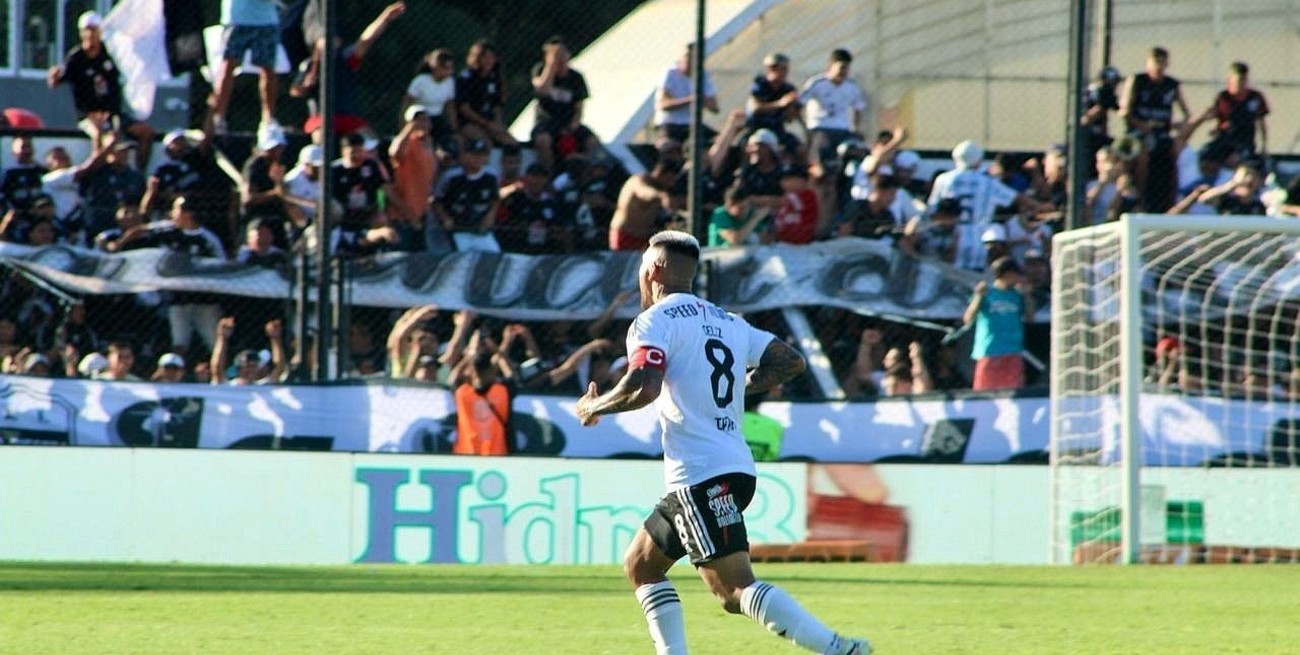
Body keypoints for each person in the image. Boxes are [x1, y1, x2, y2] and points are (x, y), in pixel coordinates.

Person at [575, 230, 870, 655]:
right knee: (641, 564)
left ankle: (838, 648)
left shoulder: (653, 321)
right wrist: (737, 388)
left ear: (654, 268)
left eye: (641, 268)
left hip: (700, 476)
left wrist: (594, 406)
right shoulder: (727, 321)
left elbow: (644, 384)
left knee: (733, 593)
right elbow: (790, 361)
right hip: (727, 468)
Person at [47, 11, 155, 170]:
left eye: (95, 30)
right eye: (87, 30)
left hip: (112, 114)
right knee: (102, 137)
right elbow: (55, 82)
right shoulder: (76, 58)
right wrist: (53, 76)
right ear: (81, 33)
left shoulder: (110, 54)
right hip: (89, 115)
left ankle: (139, 174)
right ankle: (96, 176)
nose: (91, 34)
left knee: (146, 133)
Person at [209, 0, 281, 136]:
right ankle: (219, 117)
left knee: (268, 68)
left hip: (266, 21)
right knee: (227, 66)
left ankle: (268, 120)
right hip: (236, 19)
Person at [964, 256, 1034, 391]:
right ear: (1007, 274)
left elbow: (1030, 318)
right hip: (990, 350)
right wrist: (978, 297)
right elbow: (968, 318)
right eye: (1016, 274)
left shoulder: (1017, 295)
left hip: (1013, 351)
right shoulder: (987, 293)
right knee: (985, 392)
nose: (1018, 278)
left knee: (1014, 390)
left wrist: (1027, 295)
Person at [530, 36, 597, 174]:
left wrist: (574, 124)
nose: (559, 58)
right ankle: (548, 177)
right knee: (543, 140)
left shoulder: (576, 78)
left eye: (561, 54)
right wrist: (550, 66)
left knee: (592, 142)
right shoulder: (540, 70)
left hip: (568, 121)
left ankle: (587, 176)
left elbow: (579, 107)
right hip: (547, 122)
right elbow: (542, 89)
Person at [1198, 61, 1269, 161]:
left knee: (1236, 160)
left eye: (1243, 80)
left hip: (1244, 141)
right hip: (1224, 139)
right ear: (1230, 79)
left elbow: (1261, 122)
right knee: (1205, 156)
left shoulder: (1255, 97)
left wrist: (1264, 145)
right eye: (1237, 81)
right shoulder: (1223, 97)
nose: (1240, 84)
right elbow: (1217, 116)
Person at [654, 43, 719, 145]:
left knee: (718, 141)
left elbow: (715, 108)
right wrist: (691, 99)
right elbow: (663, 104)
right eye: (688, 59)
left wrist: (702, 100)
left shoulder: (702, 75)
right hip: (670, 125)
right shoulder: (670, 73)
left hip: (692, 125)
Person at [455, 39, 517, 147]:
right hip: (468, 123)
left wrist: (497, 124)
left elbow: (496, 105)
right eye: (485, 57)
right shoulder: (466, 78)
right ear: (476, 58)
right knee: (485, 144)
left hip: (489, 122)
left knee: (512, 144)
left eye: (491, 57)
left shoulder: (494, 78)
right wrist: (487, 124)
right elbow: (464, 108)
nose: (489, 61)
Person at [453, 351, 514, 456]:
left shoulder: (462, 393)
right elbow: (511, 378)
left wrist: (467, 359)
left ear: (472, 371)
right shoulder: (503, 391)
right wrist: (500, 357)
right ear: (492, 371)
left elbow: (453, 380)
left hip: (467, 452)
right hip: (496, 452)